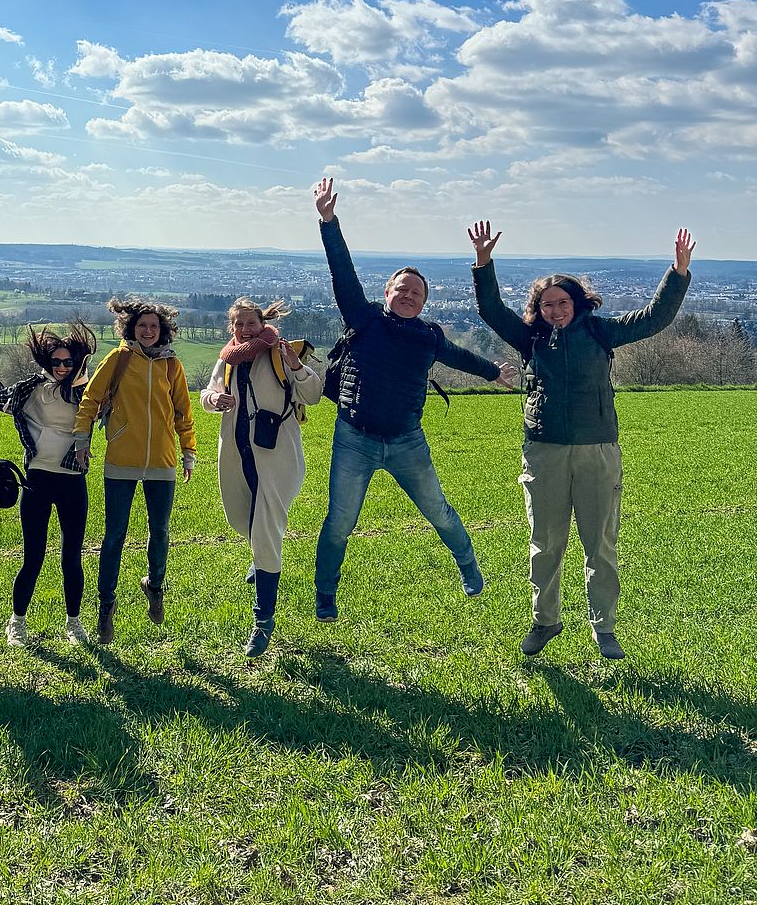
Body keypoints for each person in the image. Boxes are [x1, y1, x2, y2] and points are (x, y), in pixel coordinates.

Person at [466, 220, 695, 660]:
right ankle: (545, 621)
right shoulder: (531, 337)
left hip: (598, 450)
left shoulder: (599, 331)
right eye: (547, 304)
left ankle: (604, 628)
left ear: (578, 302)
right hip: (544, 450)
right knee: (545, 544)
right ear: (538, 309)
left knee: (600, 544)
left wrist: (678, 272)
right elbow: (491, 310)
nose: (555, 310)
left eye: (562, 302)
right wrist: (483, 262)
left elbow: (655, 318)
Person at [312, 177, 516, 620]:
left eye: (416, 293)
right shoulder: (364, 318)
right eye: (401, 290)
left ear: (424, 302)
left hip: (407, 441)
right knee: (339, 522)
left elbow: (461, 357)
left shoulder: (429, 336)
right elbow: (342, 273)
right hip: (355, 437)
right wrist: (329, 221)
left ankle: (467, 563)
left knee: (438, 511)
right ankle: (325, 593)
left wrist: (494, 372)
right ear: (387, 293)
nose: (408, 296)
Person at [200, 297, 322, 657]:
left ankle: (263, 620)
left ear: (262, 323)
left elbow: (313, 394)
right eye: (238, 324)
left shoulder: (278, 352)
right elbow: (208, 393)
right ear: (231, 327)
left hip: (276, 457)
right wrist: (214, 401)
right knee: (240, 519)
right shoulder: (227, 359)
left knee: (266, 534)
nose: (244, 330)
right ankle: (258, 556)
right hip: (237, 455)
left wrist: (296, 366)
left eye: (250, 323)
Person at [73, 298, 196, 644]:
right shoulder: (119, 358)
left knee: (160, 532)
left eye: (154, 326)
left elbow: (183, 412)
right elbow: (90, 399)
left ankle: (154, 586)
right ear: (131, 328)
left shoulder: (172, 365)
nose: (148, 331)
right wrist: (82, 438)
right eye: (142, 325)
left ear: (163, 330)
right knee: (114, 536)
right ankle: (106, 606)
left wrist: (188, 451)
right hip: (121, 459)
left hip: (162, 460)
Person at [0, 322, 97, 647]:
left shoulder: (87, 393)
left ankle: (74, 624)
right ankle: (17, 623)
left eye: (68, 362)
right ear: (46, 361)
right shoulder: (31, 389)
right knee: (33, 557)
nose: (62, 367)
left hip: (73, 481)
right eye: (56, 362)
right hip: (37, 480)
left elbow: (113, 406)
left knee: (72, 558)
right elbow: (1, 399)